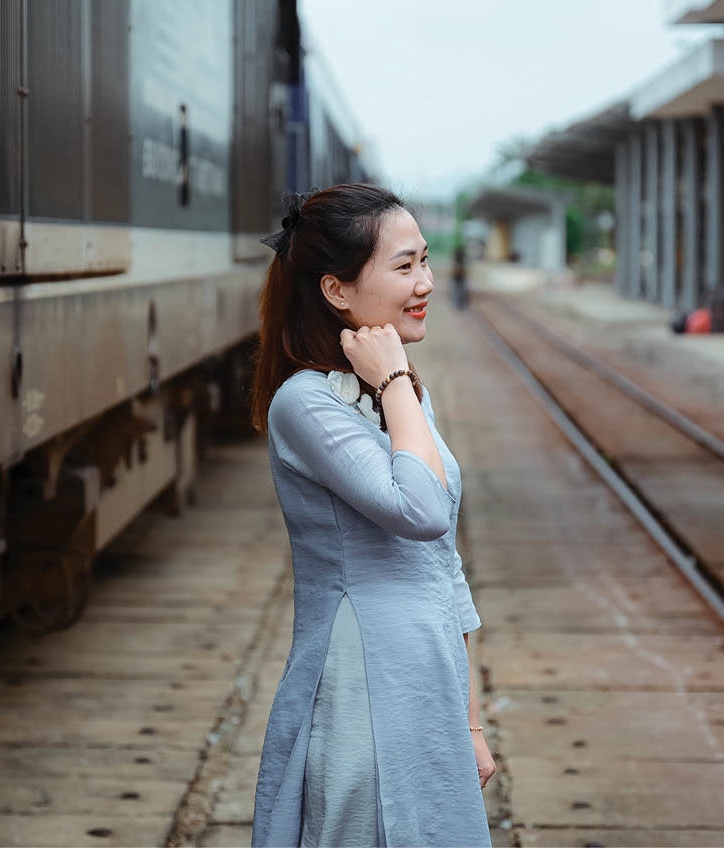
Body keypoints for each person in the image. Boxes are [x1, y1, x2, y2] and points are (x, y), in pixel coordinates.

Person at [250, 184, 494, 847]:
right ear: (337, 290)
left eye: (425, 263)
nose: (427, 283)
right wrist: (392, 382)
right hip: (361, 680)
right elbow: (420, 512)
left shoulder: (404, 396)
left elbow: (445, 567)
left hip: (428, 677)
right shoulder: (305, 406)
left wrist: (469, 722)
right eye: (407, 265)